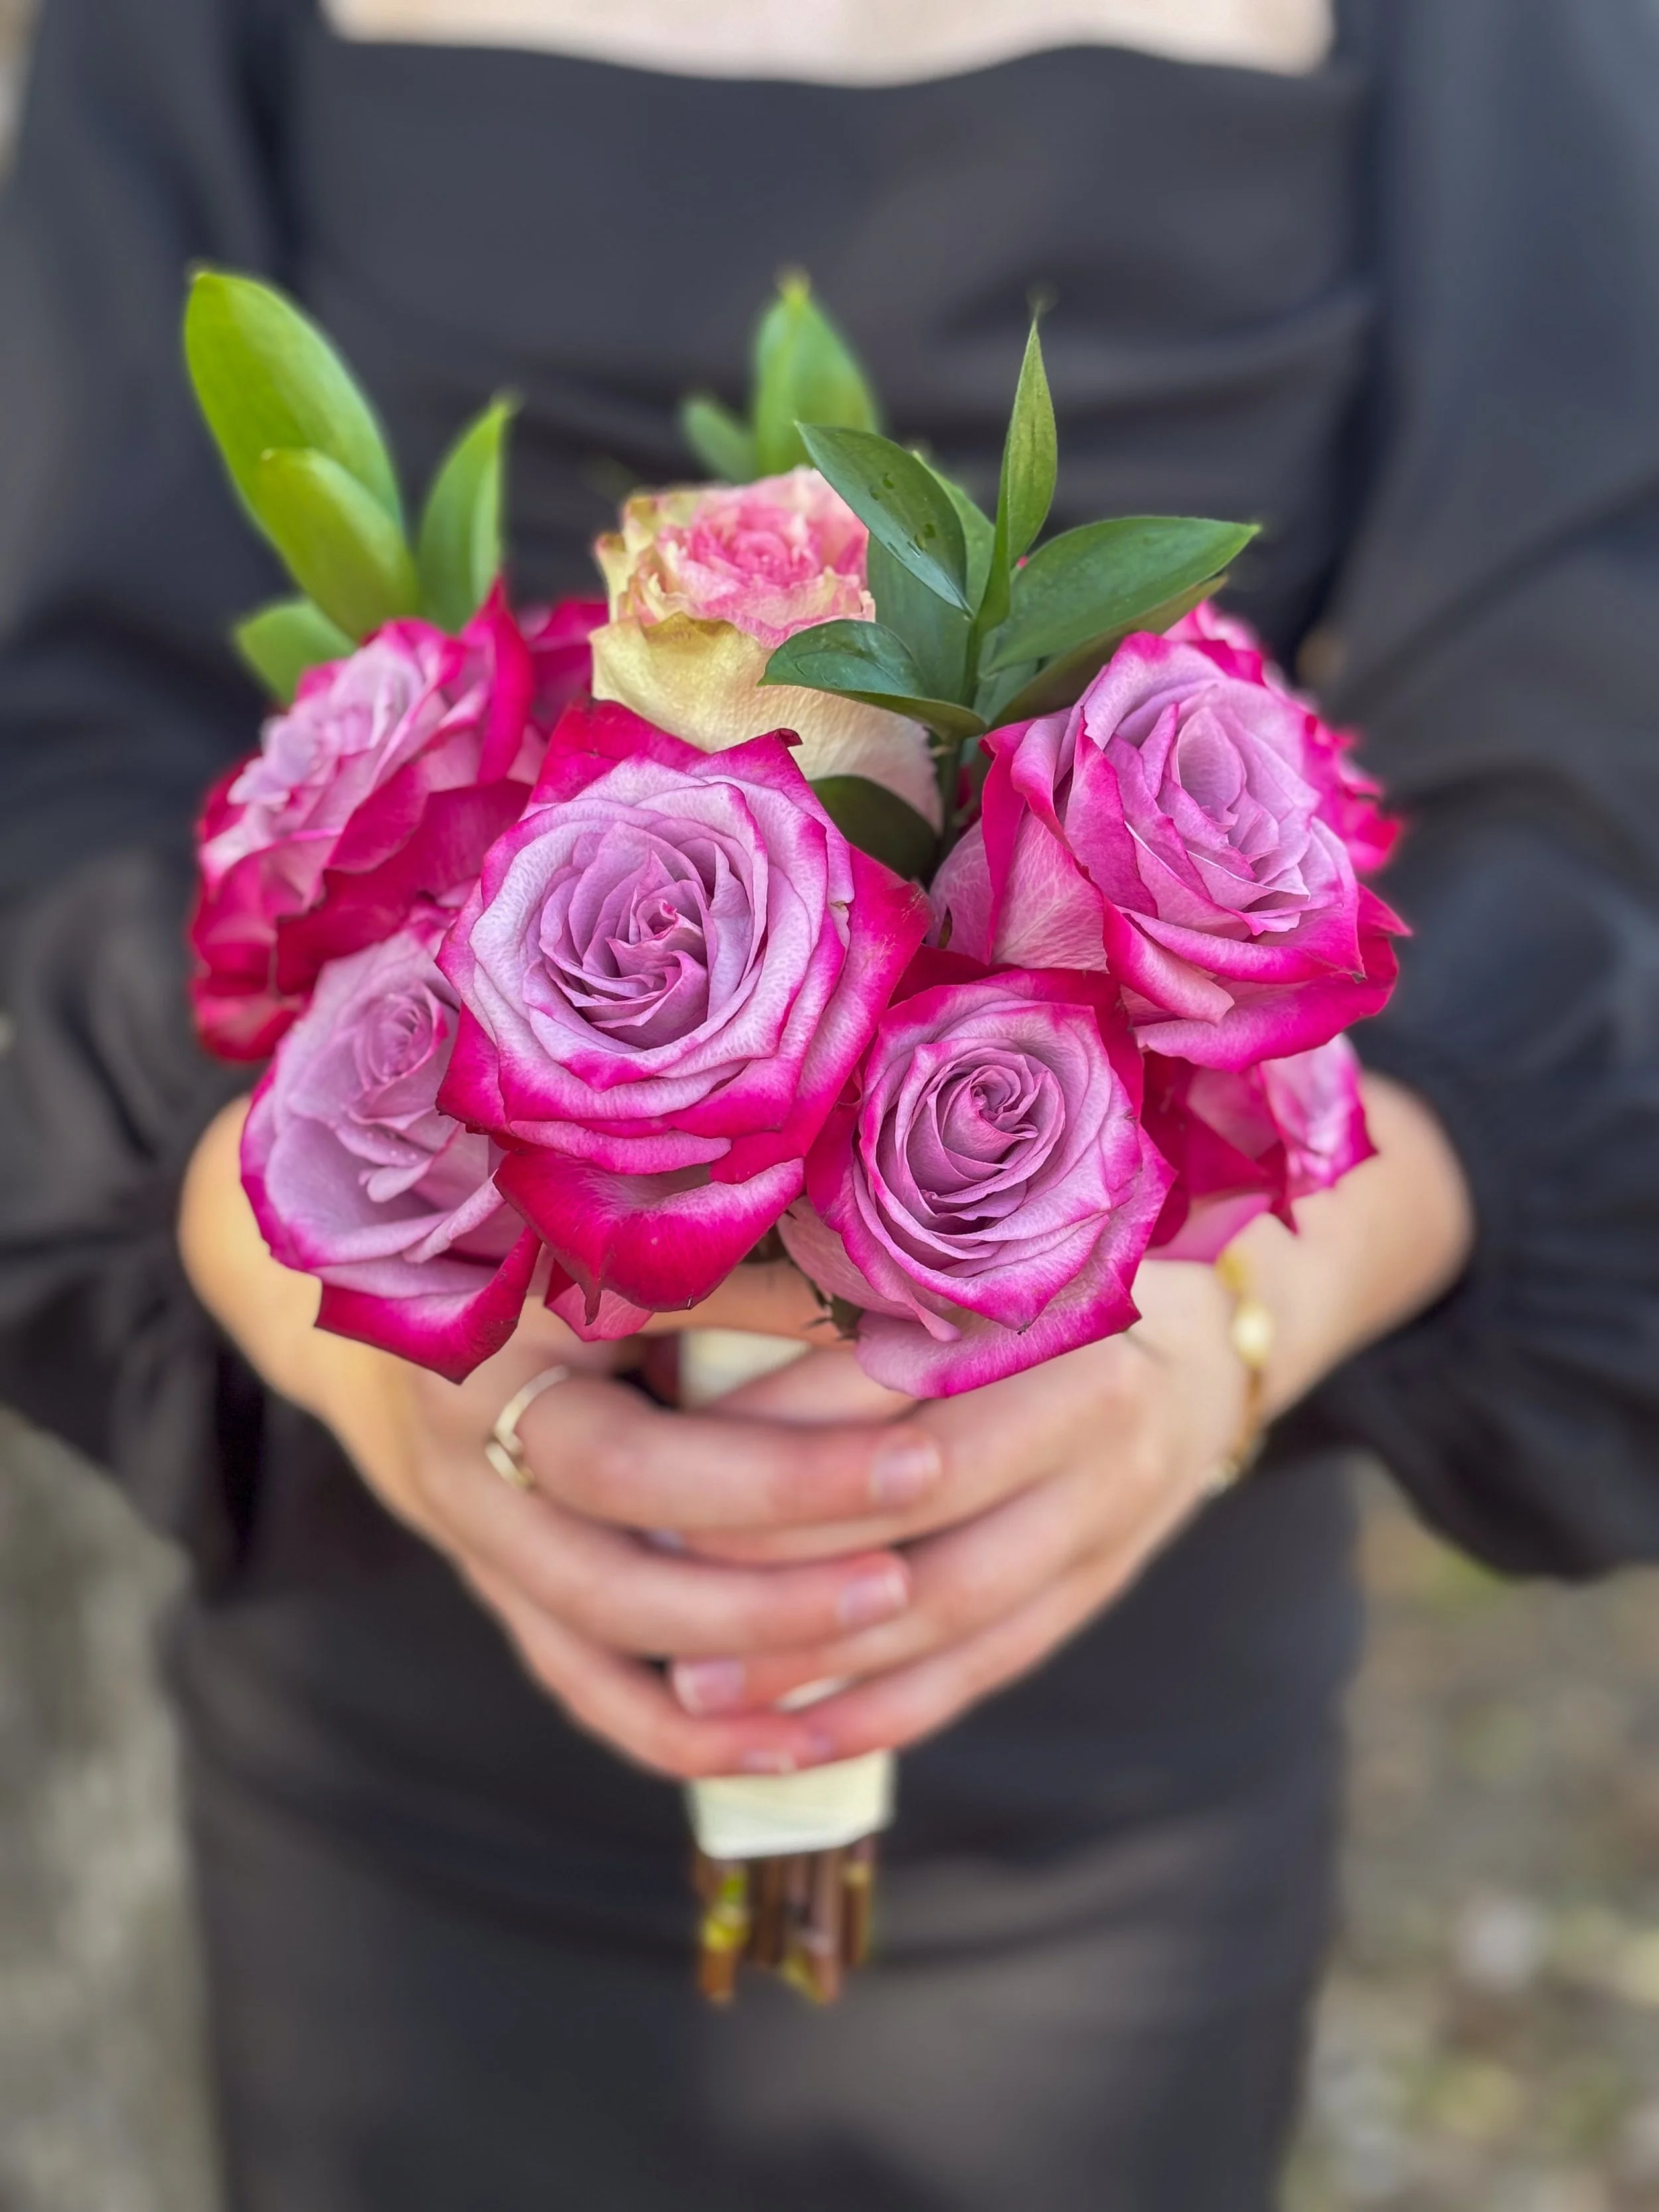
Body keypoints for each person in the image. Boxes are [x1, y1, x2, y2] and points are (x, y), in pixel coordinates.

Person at [0, 2, 1655, 2206]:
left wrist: (1227, 1336)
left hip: (1113, 1649)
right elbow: (63, 716)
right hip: (394, 1617)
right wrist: (317, 1282)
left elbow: (1590, 708)